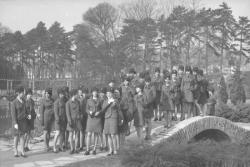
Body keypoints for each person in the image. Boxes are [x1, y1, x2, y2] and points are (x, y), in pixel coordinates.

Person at [102, 87, 124, 156]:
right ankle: (110, 150)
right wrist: (108, 103)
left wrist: (121, 118)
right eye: (107, 93)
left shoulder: (116, 101)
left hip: (113, 118)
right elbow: (103, 110)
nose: (108, 94)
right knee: (108, 134)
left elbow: (119, 110)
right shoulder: (105, 101)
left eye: (109, 93)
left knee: (113, 134)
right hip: (107, 118)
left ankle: (115, 150)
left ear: (112, 94)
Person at [11, 86, 28, 157]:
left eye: (23, 93)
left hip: (23, 122)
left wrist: (28, 115)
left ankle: (22, 151)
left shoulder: (24, 101)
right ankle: (15, 151)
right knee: (16, 137)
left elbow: (26, 111)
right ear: (18, 93)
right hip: (17, 122)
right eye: (22, 93)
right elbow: (13, 114)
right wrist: (15, 123)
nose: (23, 94)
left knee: (22, 137)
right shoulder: (14, 102)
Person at [85, 87, 103, 155]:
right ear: (92, 93)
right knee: (89, 134)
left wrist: (99, 112)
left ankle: (94, 149)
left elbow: (102, 109)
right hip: (90, 118)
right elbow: (86, 109)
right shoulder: (88, 100)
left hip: (97, 119)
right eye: (93, 92)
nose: (95, 93)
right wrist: (89, 112)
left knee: (96, 134)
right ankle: (87, 149)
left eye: (96, 92)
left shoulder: (100, 100)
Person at [66, 89, 82, 154]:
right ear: (73, 95)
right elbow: (68, 113)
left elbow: (80, 110)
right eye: (76, 94)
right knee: (71, 135)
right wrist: (70, 121)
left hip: (77, 120)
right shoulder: (68, 103)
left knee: (77, 135)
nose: (77, 95)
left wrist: (80, 116)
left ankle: (76, 148)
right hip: (71, 121)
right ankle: (72, 149)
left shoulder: (78, 102)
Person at [40, 88, 54, 152]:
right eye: (46, 93)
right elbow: (41, 112)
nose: (47, 94)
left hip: (51, 118)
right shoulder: (43, 101)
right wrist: (42, 121)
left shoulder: (52, 100)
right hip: (45, 118)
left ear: (50, 94)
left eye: (48, 93)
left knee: (49, 132)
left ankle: (48, 145)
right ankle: (45, 146)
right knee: (45, 132)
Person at [53, 87, 67, 153]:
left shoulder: (64, 101)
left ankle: (61, 146)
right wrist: (57, 119)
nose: (62, 95)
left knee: (62, 134)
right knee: (57, 133)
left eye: (63, 94)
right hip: (58, 120)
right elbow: (55, 112)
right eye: (61, 94)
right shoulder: (56, 102)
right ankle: (54, 147)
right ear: (59, 94)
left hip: (64, 120)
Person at [143, 75, 156, 140]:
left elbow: (154, 96)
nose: (147, 83)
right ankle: (146, 134)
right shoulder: (144, 87)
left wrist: (149, 102)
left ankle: (148, 135)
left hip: (150, 106)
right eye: (146, 82)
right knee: (145, 121)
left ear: (150, 81)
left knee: (149, 121)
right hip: (144, 106)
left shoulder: (152, 87)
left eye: (148, 81)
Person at [77, 87, 88, 151]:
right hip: (79, 116)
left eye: (81, 92)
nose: (80, 93)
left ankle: (82, 143)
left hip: (84, 116)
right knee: (79, 131)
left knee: (83, 131)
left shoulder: (85, 99)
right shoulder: (77, 99)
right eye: (79, 92)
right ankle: (79, 144)